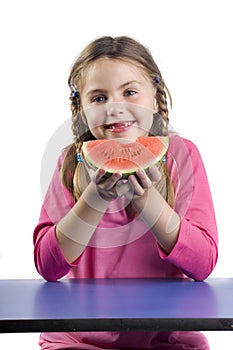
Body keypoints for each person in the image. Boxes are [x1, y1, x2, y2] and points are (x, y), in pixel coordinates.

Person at [33, 36, 218, 349]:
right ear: (81, 111)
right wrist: (94, 199)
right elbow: (47, 267)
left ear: (157, 100)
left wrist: (146, 199)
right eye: (99, 98)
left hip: (168, 338)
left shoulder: (181, 156)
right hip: (80, 338)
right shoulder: (70, 162)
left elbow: (203, 264)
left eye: (130, 92)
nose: (116, 108)